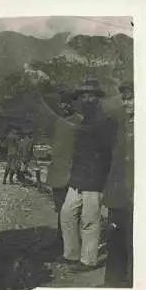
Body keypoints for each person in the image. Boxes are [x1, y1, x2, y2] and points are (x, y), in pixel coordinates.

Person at [59, 79, 116, 272]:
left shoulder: (106, 121)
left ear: (98, 98)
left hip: (95, 179)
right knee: (67, 215)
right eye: (83, 96)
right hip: (78, 179)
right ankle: (71, 255)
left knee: (89, 220)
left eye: (91, 95)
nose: (86, 99)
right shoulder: (83, 120)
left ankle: (88, 260)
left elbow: (108, 153)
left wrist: (103, 180)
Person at [102, 81, 134, 287]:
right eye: (124, 98)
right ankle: (112, 287)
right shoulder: (120, 128)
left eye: (130, 98)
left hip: (138, 199)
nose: (126, 103)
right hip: (119, 198)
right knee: (115, 242)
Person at [45, 91, 83, 254]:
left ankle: (73, 245)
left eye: (68, 103)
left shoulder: (80, 122)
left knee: (72, 212)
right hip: (57, 172)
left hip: (72, 173)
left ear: (74, 104)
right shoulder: (58, 122)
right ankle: (60, 240)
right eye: (62, 103)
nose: (64, 106)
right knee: (60, 209)